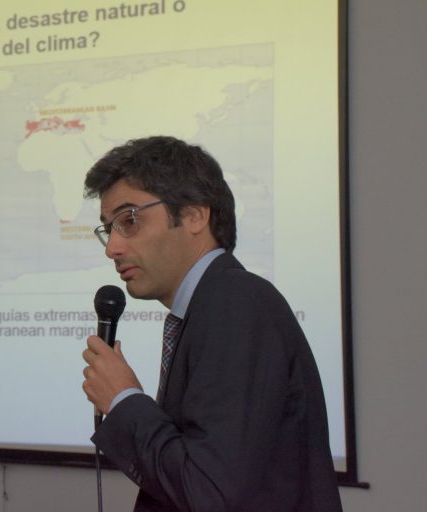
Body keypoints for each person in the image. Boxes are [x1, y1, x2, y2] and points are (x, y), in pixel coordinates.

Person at [81, 136, 342, 512]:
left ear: (194, 215)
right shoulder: (211, 304)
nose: (112, 248)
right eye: (109, 229)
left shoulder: (235, 301)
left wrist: (124, 400)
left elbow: (210, 490)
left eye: (130, 220)